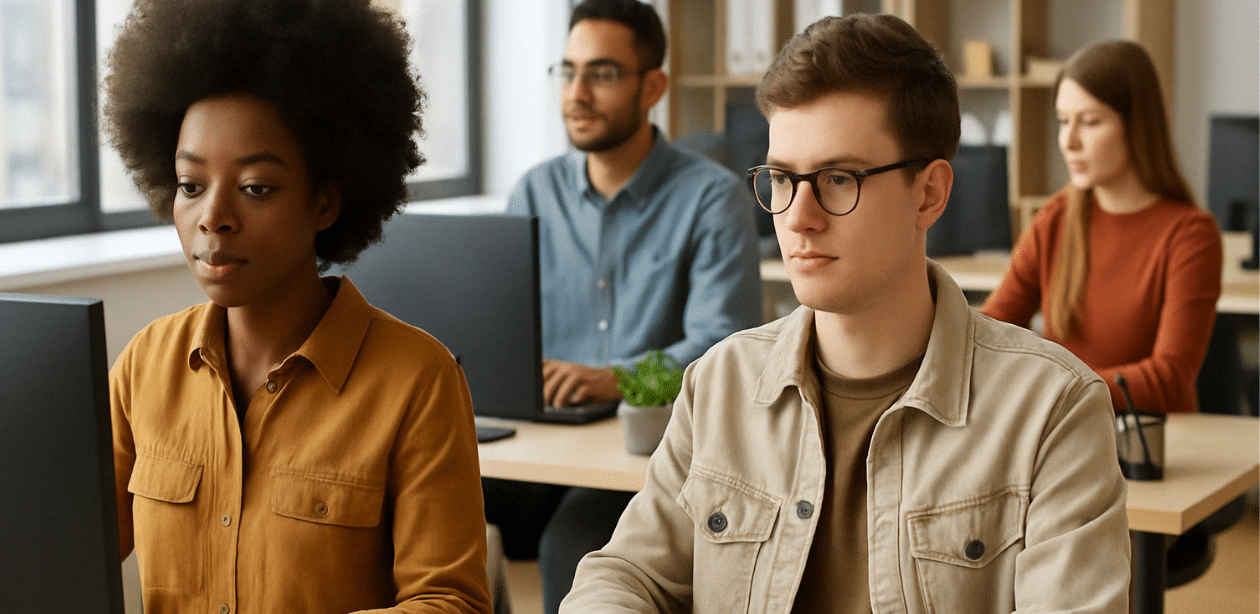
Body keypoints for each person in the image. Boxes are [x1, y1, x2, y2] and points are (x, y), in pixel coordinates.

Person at [561, 14, 1130, 614]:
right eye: (782, 178)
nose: (798, 216)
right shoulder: (718, 383)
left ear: (930, 193)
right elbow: (625, 575)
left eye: (838, 178)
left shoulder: (1053, 410)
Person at [102, 1, 492, 612]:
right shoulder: (144, 366)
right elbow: (63, 553)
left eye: (256, 187)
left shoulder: (418, 380)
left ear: (325, 203)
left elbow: (450, 602)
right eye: (190, 185)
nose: (214, 218)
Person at [492, 0, 763, 611]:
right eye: (567, 72)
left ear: (654, 87)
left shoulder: (711, 198)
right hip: (542, 440)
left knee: (578, 548)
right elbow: (504, 330)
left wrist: (612, 379)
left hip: (646, 454)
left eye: (603, 73)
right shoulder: (534, 190)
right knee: (409, 509)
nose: (577, 93)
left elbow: (724, 346)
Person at [981, 40, 1223, 415]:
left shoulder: (1190, 235)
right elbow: (992, 330)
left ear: (1136, 126)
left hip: (1152, 446)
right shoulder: (1056, 218)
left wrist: (1055, 391)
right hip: (1068, 434)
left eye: (1090, 122)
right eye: (1063, 121)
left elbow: (1170, 377)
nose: (1069, 142)